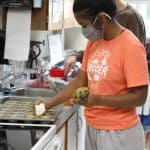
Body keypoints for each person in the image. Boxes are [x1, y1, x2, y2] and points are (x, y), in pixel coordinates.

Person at [35, 0, 149, 149]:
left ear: (101, 18)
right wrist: (48, 104)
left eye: (84, 25)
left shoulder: (131, 46)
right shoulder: (93, 43)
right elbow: (79, 82)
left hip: (119, 133)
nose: (84, 30)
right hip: (93, 128)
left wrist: (97, 99)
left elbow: (140, 97)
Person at [64, 0, 146, 74]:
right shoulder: (98, 24)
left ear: (101, 18)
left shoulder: (131, 18)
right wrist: (76, 56)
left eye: (84, 25)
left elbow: (135, 64)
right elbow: (99, 51)